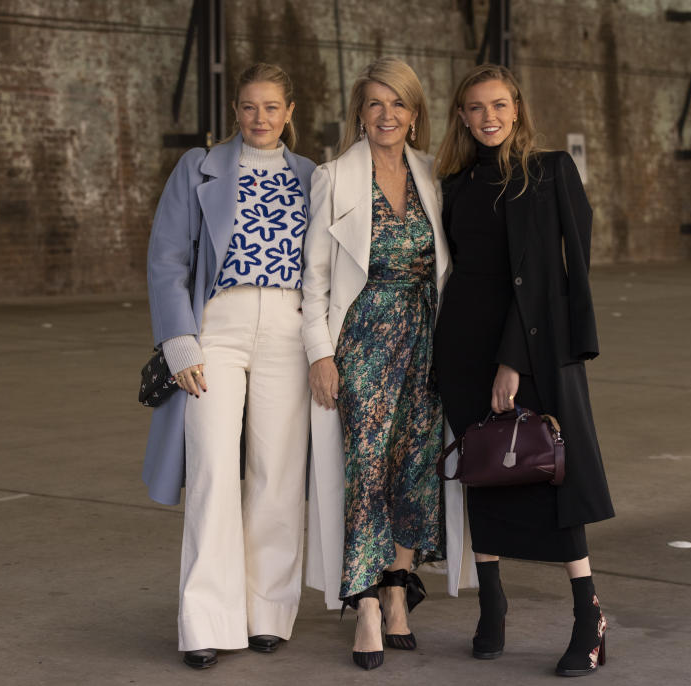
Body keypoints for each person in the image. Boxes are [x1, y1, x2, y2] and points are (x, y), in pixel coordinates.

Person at [434, 64, 615, 677]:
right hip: (462, 348)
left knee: (549, 475)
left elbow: (559, 275)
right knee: (483, 474)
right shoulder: (454, 183)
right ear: (461, 115)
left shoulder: (550, 172)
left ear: (518, 109)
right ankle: (491, 605)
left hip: (531, 347)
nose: (489, 117)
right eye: (476, 107)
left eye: (500, 105)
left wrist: (513, 357)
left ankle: (588, 617)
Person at [142, 63, 316, 670]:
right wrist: (179, 341)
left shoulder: (312, 177)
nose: (260, 118)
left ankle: (267, 610)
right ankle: (207, 621)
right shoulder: (200, 167)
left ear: (290, 111)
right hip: (218, 327)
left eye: (272, 107)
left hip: (289, 330)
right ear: (235, 111)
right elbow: (166, 256)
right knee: (214, 469)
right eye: (249, 107)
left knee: (278, 472)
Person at [301, 57, 457, 671]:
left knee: (415, 465)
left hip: (425, 338)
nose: (386, 115)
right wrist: (320, 352)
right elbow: (313, 281)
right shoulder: (333, 177)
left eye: (398, 104)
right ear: (359, 114)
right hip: (362, 339)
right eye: (374, 104)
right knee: (366, 468)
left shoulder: (433, 175)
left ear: (414, 116)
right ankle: (363, 601)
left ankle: (397, 588)